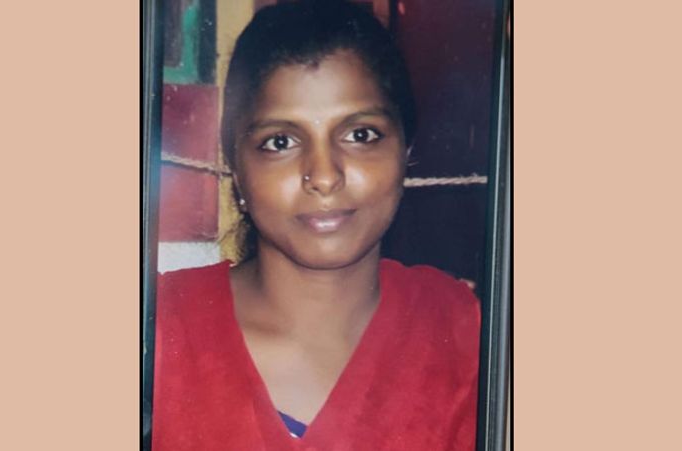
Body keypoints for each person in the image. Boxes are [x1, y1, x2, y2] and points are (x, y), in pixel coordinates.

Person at [151, 1, 480, 449]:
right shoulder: (156, 329)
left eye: (360, 135)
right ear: (237, 169)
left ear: (405, 151)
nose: (324, 176)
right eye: (280, 142)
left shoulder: (466, 333)